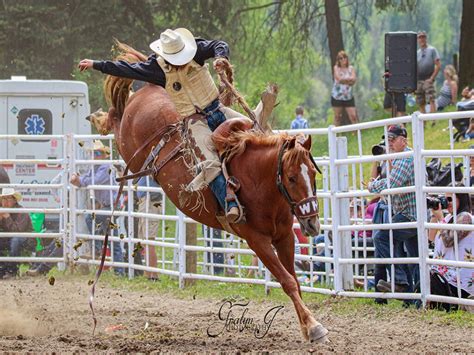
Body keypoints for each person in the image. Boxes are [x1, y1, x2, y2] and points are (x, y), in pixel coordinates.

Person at [78, 28, 245, 223]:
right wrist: (96, 65)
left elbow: (219, 44)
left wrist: (220, 58)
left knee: (253, 130)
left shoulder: (197, 50)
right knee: (208, 161)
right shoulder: (158, 69)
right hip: (195, 122)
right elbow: (126, 69)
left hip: (218, 109)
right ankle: (229, 202)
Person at [366, 125, 418, 296]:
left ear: (403, 140)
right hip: (406, 212)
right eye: (388, 139)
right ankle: (413, 296)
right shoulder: (396, 158)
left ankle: (400, 282)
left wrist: (373, 186)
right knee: (413, 257)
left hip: (409, 214)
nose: (389, 143)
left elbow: (392, 183)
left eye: (392, 139)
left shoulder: (405, 158)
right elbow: (388, 182)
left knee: (382, 236)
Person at [70, 140, 124, 276]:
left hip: (113, 205)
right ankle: (120, 271)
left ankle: (97, 248)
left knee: (90, 217)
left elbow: (94, 181)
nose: (96, 155)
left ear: (104, 155)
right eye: (94, 153)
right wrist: (79, 180)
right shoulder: (94, 166)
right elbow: (88, 179)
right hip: (107, 206)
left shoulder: (106, 166)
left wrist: (79, 181)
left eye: (98, 153)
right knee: (113, 237)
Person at [427, 190, 473, 309]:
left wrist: (440, 218)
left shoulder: (466, 217)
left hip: (458, 279)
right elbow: (430, 237)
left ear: (461, 199)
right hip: (445, 274)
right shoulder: (448, 218)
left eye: (450, 199)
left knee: (427, 285)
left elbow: (448, 241)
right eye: (445, 199)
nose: (447, 203)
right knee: (423, 283)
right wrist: (434, 214)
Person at [0, 188, 33, 278]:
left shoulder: (21, 212)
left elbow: (17, 231)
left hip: (25, 239)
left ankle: (12, 270)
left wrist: (7, 217)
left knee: (16, 240)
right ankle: (3, 268)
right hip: (8, 238)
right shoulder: (1, 211)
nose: (5, 202)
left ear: (14, 200)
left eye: (9, 198)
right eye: (3, 199)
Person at [136, 176, 161, 280]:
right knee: (146, 240)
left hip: (150, 200)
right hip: (146, 200)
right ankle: (149, 272)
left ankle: (153, 274)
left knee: (149, 240)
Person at [331, 50, 358, 126]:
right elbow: (338, 79)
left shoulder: (351, 68)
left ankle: (356, 134)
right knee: (337, 117)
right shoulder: (336, 68)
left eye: (344, 57)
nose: (343, 60)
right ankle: (335, 136)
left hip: (348, 97)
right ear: (338, 60)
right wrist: (348, 81)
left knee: (353, 116)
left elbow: (354, 79)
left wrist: (344, 81)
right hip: (337, 96)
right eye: (341, 58)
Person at [416, 31, 441, 114]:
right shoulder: (417, 53)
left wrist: (432, 78)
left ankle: (433, 119)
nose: (422, 39)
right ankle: (423, 122)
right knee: (420, 101)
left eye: (423, 37)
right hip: (419, 79)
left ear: (426, 38)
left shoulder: (432, 50)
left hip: (428, 78)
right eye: (420, 37)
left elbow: (438, 65)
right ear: (418, 40)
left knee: (431, 98)